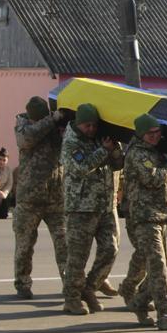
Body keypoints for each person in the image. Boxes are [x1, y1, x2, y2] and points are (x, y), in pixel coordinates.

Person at [117, 114, 167, 330]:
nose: (155, 137)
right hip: (145, 217)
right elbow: (153, 178)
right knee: (157, 267)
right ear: (140, 134)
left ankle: (139, 302)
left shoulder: (156, 152)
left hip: (165, 215)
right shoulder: (137, 154)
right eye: (150, 134)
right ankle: (165, 314)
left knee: (164, 266)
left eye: (158, 133)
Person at [60, 104, 124, 316]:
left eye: (94, 125)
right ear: (78, 124)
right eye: (87, 125)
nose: (91, 129)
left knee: (110, 250)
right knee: (77, 257)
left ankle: (89, 288)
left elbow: (118, 165)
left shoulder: (100, 138)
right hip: (81, 208)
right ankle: (72, 298)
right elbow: (81, 168)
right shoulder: (71, 142)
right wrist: (103, 151)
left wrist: (114, 149)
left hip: (105, 206)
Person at [12, 97, 69, 299]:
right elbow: (27, 139)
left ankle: (69, 284)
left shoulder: (54, 126)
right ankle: (22, 283)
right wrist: (52, 121)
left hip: (56, 197)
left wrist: (61, 124)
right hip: (29, 198)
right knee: (25, 245)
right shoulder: (23, 127)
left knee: (65, 244)